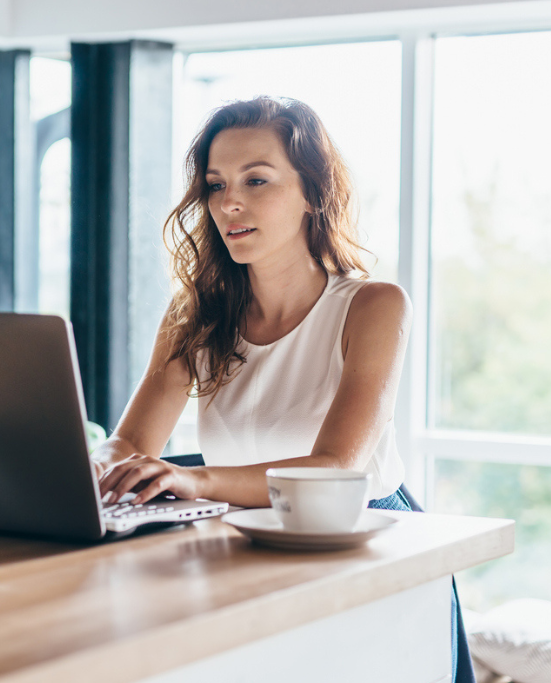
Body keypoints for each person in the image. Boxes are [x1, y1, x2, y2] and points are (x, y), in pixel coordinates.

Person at [90, 96, 473, 683]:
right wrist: (84, 469)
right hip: (244, 540)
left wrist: (191, 480)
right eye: (216, 185)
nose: (229, 203)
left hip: (369, 544)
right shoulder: (193, 314)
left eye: (257, 180)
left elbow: (336, 467)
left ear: (312, 192)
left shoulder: (373, 305)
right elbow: (129, 443)